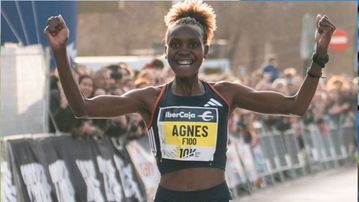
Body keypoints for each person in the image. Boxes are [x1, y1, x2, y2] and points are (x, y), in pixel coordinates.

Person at [44, 2, 335, 201]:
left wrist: (320, 55)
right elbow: (83, 108)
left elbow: (295, 105)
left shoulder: (226, 94)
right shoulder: (150, 98)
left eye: (193, 44)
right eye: (177, 45)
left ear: (205, 50)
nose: (185, 52)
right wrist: (60, 52)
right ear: (166, 50)